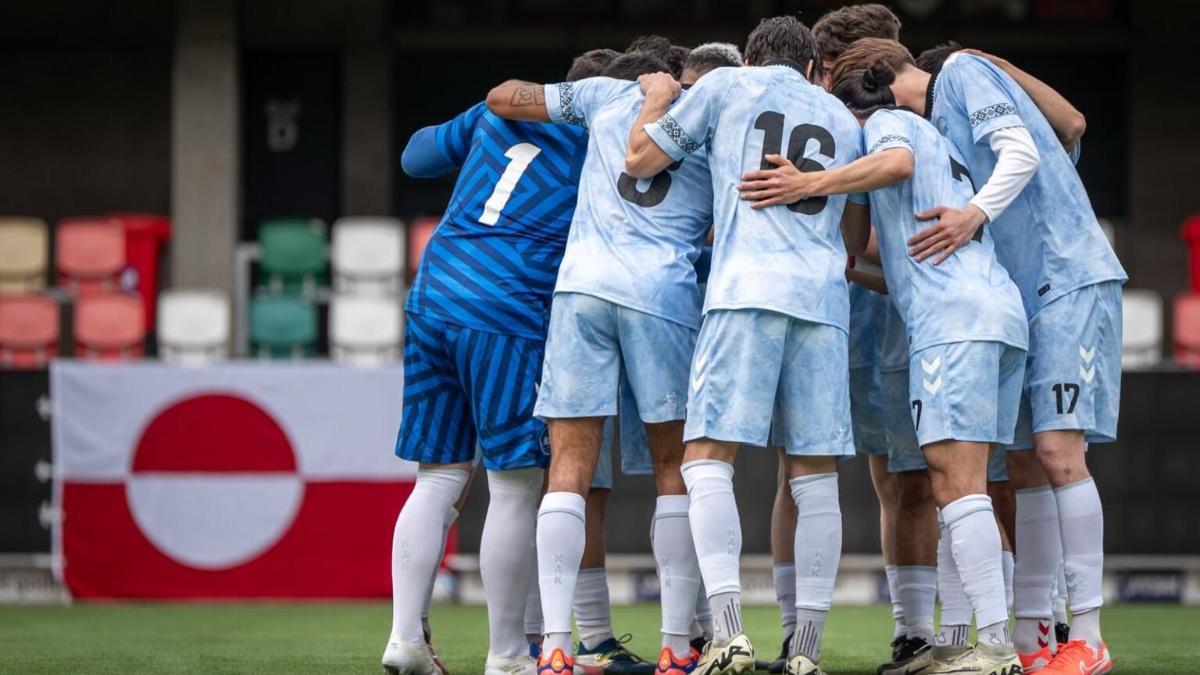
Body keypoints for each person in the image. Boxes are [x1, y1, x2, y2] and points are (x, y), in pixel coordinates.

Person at [813, 38, 1127, 675]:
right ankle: (1033, 637)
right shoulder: (943, 134)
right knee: (1024, 464)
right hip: (1013, 297)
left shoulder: (954, 78)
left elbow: (1029, 147)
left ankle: (1083, 637)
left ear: (874, 81)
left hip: (1062, 278)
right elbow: (1070, 125)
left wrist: (971, 214)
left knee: (1043, 457)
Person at [626, 15, 869, 675]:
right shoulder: (842, 118)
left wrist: (655, 101)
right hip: (822, 302)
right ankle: (806, 650)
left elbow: (643, 160)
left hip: (745, 290)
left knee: (707, 456)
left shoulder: (727, 84)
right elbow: (854, 240)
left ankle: (729, 634)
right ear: (813, 67)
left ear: (754, 58)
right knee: (815, 473)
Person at [487, 47, 733, 675]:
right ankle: (677, 646)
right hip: (662, 296)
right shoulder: (723, 125)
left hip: (582, 292)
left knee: (567, 468)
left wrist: (630, 94)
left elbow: (502, 95)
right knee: (675, 470)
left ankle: (555, 645)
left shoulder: (604, 94)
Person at [384, 48, 619, 675]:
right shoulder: (601, 143)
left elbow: (415, 157)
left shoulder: (496, 115)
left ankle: (405, 640)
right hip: (509, 308)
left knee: (436, 477)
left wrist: (478, 121)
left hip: (434, 292)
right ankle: (509, 654)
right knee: (514, 486)